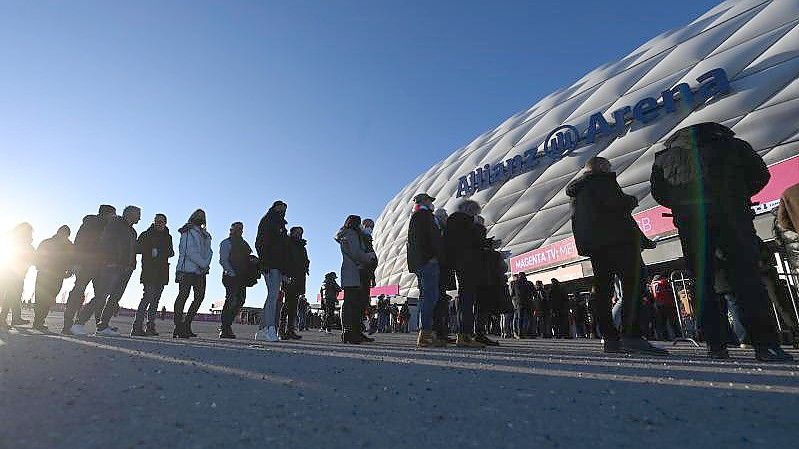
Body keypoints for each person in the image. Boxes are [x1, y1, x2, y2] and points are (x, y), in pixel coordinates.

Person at [651, 122, 791, 362]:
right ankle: (765, 345)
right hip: (733, 218)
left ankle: (716, 346)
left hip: (693, 225)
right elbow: (761, 175)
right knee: (747, 280)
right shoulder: (733, 145)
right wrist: (738, 195)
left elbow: (659, 192)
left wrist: (683, 207)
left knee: (703, 283)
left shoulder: (665, 158)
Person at [567, 156, 667, 355]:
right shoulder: (603, 182)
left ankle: (610, 338)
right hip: (619, 243)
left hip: (597, 247)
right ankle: (632, 335)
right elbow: (617, 211)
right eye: (608, 166)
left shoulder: (577, 192)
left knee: (603, 291)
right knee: (635, 285)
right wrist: (630, 200)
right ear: (602, 167)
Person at [71, 206, 141, 336]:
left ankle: (103, 327)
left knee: (114, 298)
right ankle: (79, 323)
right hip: (112, 266)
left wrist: (131, 265)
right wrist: (110, 260)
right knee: (101, 296)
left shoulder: (132, 232)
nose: (140, 217)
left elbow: (132, 249)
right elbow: (105, 242)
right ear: (129, 214)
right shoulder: (115, 224)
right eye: (138, 214)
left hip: (127, 268)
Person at [61, 204, 116, 334]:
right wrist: (76, 263)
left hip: (99, 266)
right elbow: (78, 243)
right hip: (86, 264)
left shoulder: (107, 227)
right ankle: (68, 326)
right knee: (79, 292)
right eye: (113, 214)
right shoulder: (90, 225)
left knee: (99, 295)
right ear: (107, 214)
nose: (114, 217)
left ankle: (99, 325)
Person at [444, 200, 486, 348]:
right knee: (467, 299)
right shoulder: (465, 221)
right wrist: (480, 226)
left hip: (460, 263)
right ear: (471, 211)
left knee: (465, 299)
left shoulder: (454, 221)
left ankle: (464, 335)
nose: (476, 215)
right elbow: (475, 241)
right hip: (468, 264)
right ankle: (464, 335)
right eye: (475, 212)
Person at [407, 193, 446, 347]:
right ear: (424, 201)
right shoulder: (423, 216)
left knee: (426, 297)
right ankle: (425, 335)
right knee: (430, 297)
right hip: (428, 262)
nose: (432, 204)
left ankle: (426, 334)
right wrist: (433, 257)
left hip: (421, 262)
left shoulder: (417, 216)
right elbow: (430, 239)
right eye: (430, 201)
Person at [335, 215, 376, 343]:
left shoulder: (354, 235)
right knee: (350, 303)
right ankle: (348, 332)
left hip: (357, 272)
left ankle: (356, 331)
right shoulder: (351, 234)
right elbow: (355, 253)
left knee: (357, 304)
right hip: (353, 271)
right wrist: (369, 257)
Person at [131, 214, 174, 337]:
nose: (159, 223)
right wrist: (150, 250)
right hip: (149, 271)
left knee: (155, 301)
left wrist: (160, 252)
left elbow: (171, 252)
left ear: (165, 223)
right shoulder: (146, 234)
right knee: (147, 297)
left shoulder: (168, 236)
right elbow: (137, 248)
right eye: (157, 221)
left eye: (162, 221)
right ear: (154, 222)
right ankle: (137, 327)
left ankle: (150, 326)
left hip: (162, 272)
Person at [172, 209, 212, 339]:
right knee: (183, 296)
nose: (200, 218)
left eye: (202, 216)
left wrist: (205, 264)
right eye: (198, 216)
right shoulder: (187, 231)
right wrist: (203, 264)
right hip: (187, 270)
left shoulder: (205, 234)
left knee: (199, 297)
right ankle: (178, 326)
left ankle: (186, 324)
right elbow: (190, 251)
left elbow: (209, 251)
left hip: (200, 271)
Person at [255, 201, 290, 343]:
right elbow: (260, 243)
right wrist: (265, 261)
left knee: (272, 296)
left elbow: (284, 249)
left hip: (278, 265)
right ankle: (270, 328)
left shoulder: (281, 225)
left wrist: (285, 269)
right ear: (274, 208)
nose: (282, 210)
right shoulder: (268, 221)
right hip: (271, 264)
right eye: (280, 207)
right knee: (272, 297)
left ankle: (262, 329)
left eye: (284, 208)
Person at [31, 225, 74, 330]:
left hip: (46, 274)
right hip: (56, 274)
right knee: (47, 298)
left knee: (42, 298)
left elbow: (37, 257)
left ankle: (38, 321)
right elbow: (71, 260)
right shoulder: (68, 245)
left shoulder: (47, 242)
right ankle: (39, 321)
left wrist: (39, 266)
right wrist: (69, 271)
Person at [219, 221, 256, 339]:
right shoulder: (226, 242)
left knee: (240, 300)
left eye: (241, 228)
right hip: (231, 276)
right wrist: (231, 272)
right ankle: (225, 328)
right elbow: (223, 260)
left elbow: (247, 257)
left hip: (242, 277)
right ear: (231, 229)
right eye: (236, 228)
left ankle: (227, 324)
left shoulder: (244, 244)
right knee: (230, 300)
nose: (239, 230)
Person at [0, 223, 36, 330]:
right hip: (13, 273)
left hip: (11, 273)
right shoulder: (21, 242)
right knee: (10, 296)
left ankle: (14, 318)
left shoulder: (13, 240)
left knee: (13, 295)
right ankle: (3, 318)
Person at [282, 226, 310, 340]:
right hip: (289, 276)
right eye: (297, 232)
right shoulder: (287, 244)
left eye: (301, 233)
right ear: (291, 233)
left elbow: (305, 260)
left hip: (300, 277)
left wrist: (307, 264)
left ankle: (290, 330)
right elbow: (283, 259)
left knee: (294, 305)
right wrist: (285, 274)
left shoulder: (302, 247)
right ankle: (281, 329)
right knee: (287, 304)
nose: (299, 235)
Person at [512, 273, 534, 339]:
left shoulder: (515, 283)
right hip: (528, 302)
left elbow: (512, 294)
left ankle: (520, 334)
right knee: (530, 318)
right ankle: (531, 333)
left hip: (519, 303)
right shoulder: (529, 283)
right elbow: (534, 292)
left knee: (520, 318)